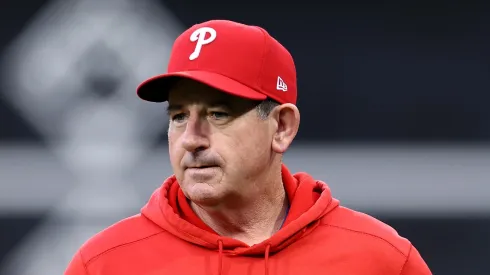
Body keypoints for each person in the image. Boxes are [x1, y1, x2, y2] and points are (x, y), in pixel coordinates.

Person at [65, 19, 432, 275]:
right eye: (178, 116)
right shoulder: (105, 264)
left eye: (219, 113)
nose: (191, 138)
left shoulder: (379, 261)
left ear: (282, 127)